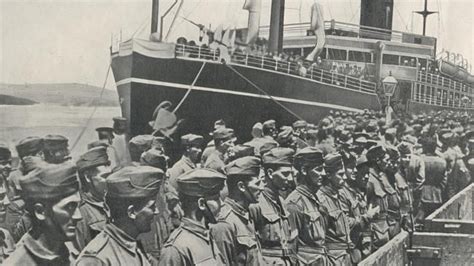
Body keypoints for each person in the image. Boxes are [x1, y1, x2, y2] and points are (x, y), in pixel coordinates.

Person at [76, 165, 164, 265]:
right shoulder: (96, 259)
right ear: (131, 213)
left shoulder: (131, 244)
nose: (156, 211)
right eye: (151, 207)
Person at [4, 161, 82, 265]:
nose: (79, 216)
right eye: (69, 207)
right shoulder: (18, 263)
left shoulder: (67, 253)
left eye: (77, 206)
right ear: (40, 212)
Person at [159, 168, 227, 265]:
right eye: (216, 199)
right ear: (202, 204)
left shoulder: (207, 235)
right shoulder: (176, 249)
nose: (222, 204)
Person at [212, 156, 265, 265]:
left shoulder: (246, 214)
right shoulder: (224, 223)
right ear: (241, 186)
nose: (262, 188)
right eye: (257, 183)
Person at [249, 147, 298, 264]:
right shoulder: (256, 204)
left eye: (291, 173)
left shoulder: (281, 201)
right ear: (270, 173)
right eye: (285, 174)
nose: (290, 179)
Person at [285, 147, 328, 265]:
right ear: (304, 170)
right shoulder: (294, 204)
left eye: (323, 169)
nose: (323, 174)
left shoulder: (314, 198)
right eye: (319, 169)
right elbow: (292, 250)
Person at [317, 153, 361, 265]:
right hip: (332, 260)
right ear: (328, 175)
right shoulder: (321, 200)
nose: (345, 177)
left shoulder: (337, 196)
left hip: (345, 257)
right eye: (340, 174)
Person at [74, 146, 112, 252]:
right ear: (87, 177)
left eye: (111, 175)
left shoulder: (112, 202)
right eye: (104, 176)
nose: (109, 180)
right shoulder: (81, 212)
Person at [416, 137, 447, 224]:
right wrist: (439, 189)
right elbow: (444, 181)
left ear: (424, 147)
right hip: (437, 194)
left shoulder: (419, 160)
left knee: (419, 219)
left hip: (422, 194)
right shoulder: (442, 162)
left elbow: (417, 178)